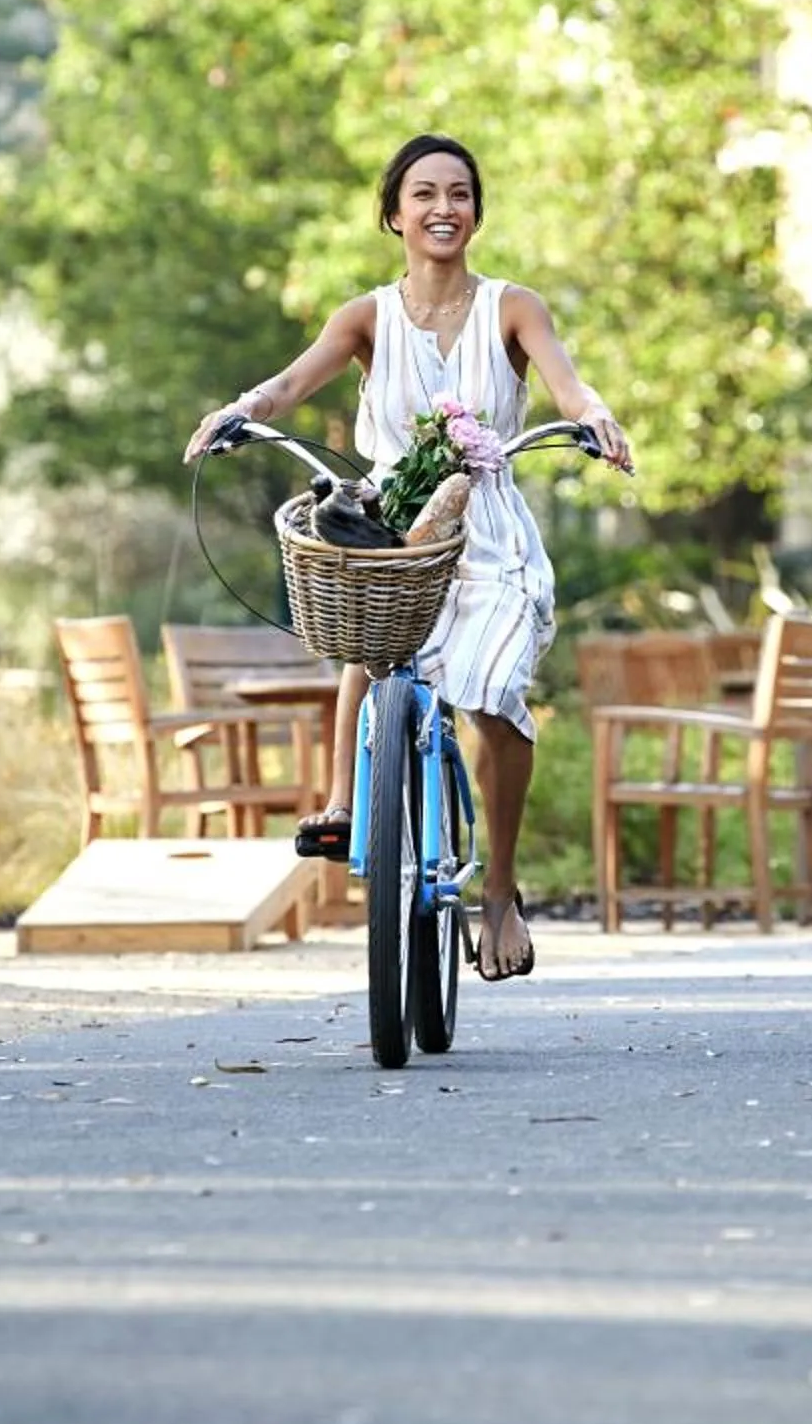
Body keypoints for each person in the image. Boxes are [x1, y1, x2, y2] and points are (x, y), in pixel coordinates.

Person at [184, 134, 633, 982]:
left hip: (488, 528)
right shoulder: (365, 317)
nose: (442, 209)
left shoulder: (513, 306)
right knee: (368, 630)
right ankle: (348, 805)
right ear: (393, 214)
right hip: (391, 522)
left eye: (459, 194)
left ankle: (498, 889)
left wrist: (596, 416)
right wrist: (240, 411)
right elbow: (289, 384)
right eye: (423, 194)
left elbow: (567, 384)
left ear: (476, 212)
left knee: (493, 697)